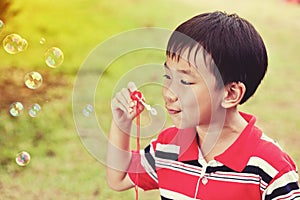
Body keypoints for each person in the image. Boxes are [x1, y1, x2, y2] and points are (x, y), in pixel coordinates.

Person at [106, 11, 300, 199]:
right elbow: (119, 178)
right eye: (168, 76)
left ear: (230, 94)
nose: (168, 93)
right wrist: (121, 125)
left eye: (185, 82)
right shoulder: (169, 148)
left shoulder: (270, 167)